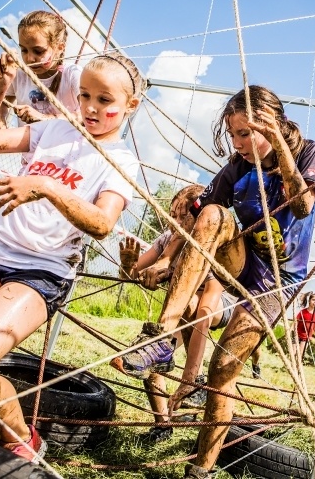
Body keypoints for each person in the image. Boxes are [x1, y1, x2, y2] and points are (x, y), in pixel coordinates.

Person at [0, 51, 142, 462]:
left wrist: (46, 187)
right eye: (84, 96)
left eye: (105, 100)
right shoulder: (54, 130)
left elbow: (102, 223)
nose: (91, 108)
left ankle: (22, 443)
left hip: (41, 270)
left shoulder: (121, 162)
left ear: (130, 105)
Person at [111, 85, 315, 478]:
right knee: (210, 213)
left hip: (276, 280)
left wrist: (277, 142)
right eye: (233, 135)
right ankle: (161, 337)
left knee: (223, 368)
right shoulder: (235, 169)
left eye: (246, 134)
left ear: (272, 124)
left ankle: (200, 471)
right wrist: (170, 250)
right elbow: (197, 215)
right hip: (239, 263)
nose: (238, 143)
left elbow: (302, 204)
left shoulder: (305, 151)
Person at [114, 184, 241, 442]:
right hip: (179, 316)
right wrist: (128, 265)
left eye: (184, 216)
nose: (176, 221)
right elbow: (133, 274)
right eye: (173, 214)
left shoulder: (212, 245)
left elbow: (206, 307)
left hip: (218, 307)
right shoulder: (166, 241)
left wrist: (189, 377)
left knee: (192, 305)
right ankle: (162, 424)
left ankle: (197, 380)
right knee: (150, 362)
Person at [0, 11, 82, 168]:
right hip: (30, 162)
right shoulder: (18, 74)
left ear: (59, 48)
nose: (30, 58)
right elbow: (2, 101)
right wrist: (0, 121)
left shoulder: (72, 74)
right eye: (24, 50)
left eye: (38, 51)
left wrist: (43, 118)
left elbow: (86, 116)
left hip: (65, 164)